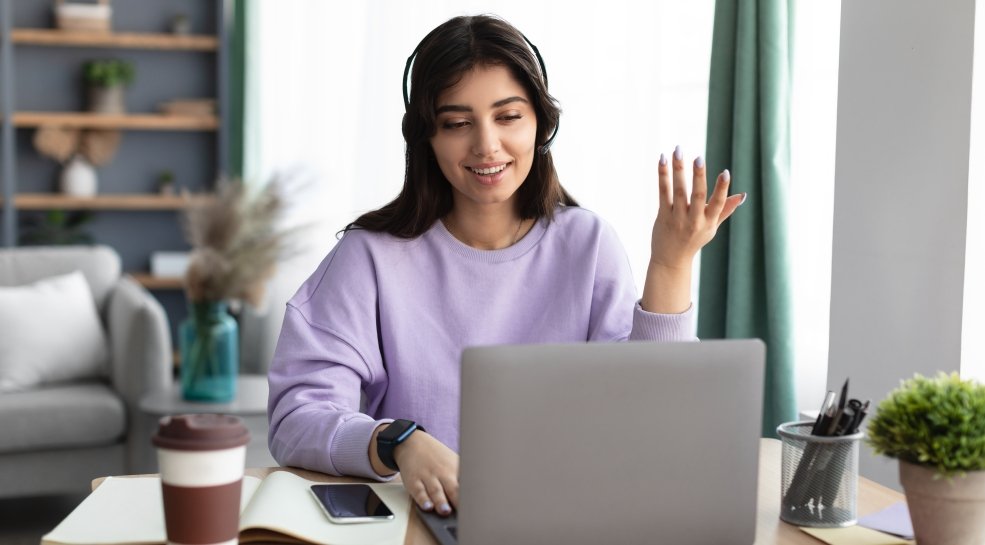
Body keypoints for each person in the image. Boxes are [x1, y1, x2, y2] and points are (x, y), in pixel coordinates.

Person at [267, 14, 745, 518]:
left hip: (569, 517)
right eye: (457, 123)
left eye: (508, 116)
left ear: (541, 122)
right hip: (421, 523)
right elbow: (296, 420)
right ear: (427, 137)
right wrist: (397, 442)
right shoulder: (370, 258)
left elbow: (648, 417)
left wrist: (671, 263)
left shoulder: (587, 243)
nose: (486, 145)